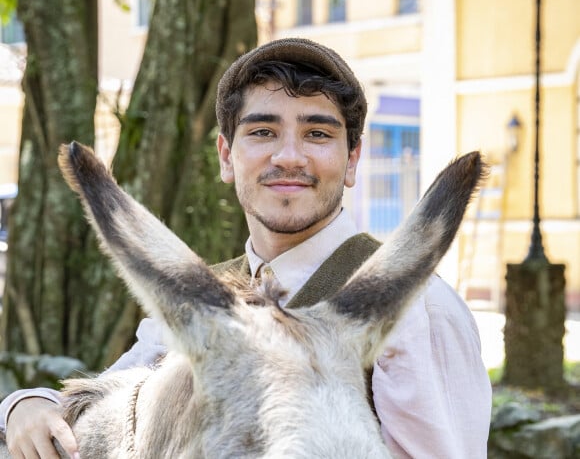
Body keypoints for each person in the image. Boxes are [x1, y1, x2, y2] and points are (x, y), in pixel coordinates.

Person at [1, 37, 492, 458]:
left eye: (317, 133)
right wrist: (26, 405)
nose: (289, 156)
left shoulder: (421, 312)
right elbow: (119, 400)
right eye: (262, 131)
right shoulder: (207, 300)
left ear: (351, 160)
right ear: (226, 156)